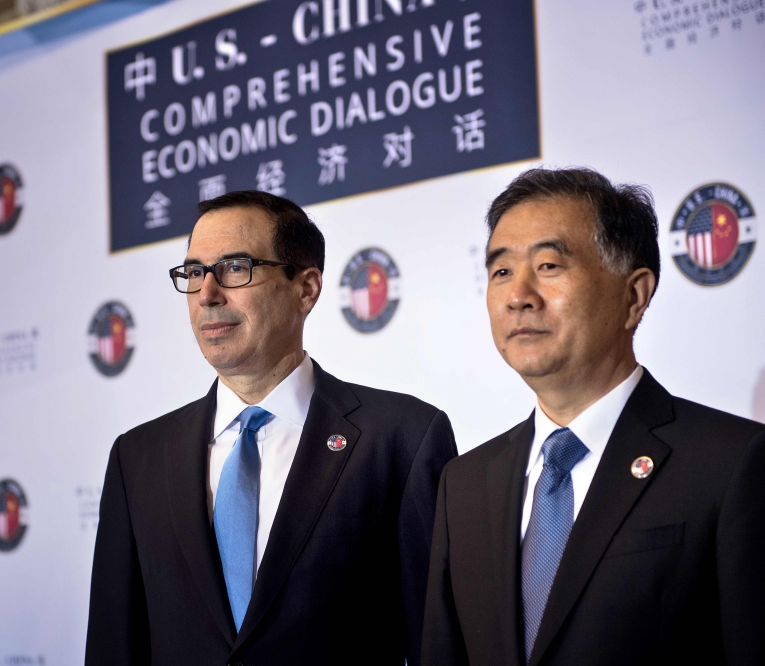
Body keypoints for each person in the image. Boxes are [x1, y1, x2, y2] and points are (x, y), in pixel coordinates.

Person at [85, 191, 457, 666]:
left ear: (306, 289)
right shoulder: (137, 458)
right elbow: (114, 647)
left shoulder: (403, 438)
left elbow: (437, 646)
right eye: (195, 272)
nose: (207, 294)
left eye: (235, 268)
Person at [421, 168, 765, 666]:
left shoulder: (731, 465)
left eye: (548, 265)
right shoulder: (465, 483)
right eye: (500, 272)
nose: (518, 295)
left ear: (634, 295)